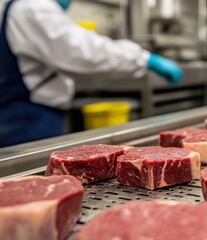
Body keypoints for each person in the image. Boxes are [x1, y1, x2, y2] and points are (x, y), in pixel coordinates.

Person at [0, 0, 182, 147]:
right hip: (26, 118)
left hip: (29, 112)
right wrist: (143, 59)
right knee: (30, 181)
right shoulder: (33, 6)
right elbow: (80, 51)